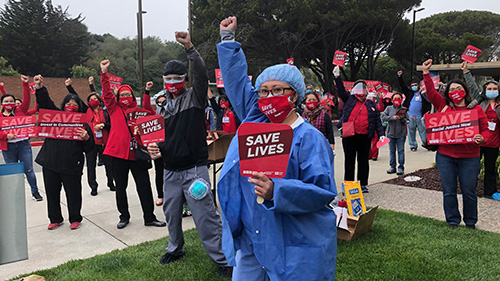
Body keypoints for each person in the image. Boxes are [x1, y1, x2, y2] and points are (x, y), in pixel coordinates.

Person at [215, 16, 337, 281]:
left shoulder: (309, 138)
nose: (269, 97)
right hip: (252, 237)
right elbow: (237, 84)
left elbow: (322, 191)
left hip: (289, 240)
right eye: (263, 91)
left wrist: (276, 191)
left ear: (294, 95)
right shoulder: (256, 120)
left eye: (278, 90)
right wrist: (227, 40)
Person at [146, 31, 231, 279]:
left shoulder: (194, 97)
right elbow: (162, 139)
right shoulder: (162, 107)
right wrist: (155, 149)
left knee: (205, 216)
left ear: (185, 79)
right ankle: (175, 248)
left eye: (177, 77)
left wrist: (190, 49)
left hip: (194, 168)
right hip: (170, 170)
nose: (172, 81)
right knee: (171, 214)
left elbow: (202, 75)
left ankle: (222, 259)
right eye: (168, 78)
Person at [99, 60, 166, 230]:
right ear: (117, 98)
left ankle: (149, 217)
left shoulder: (139, 112)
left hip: (138, 154)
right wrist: (104, 73)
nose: (125, 98)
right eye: (122, 95)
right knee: (121, 187)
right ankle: (124, 216)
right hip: (119, 154)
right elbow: (106, 94)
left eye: (128, 95)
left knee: (144, 186)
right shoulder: (114, 109)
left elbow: (151, 114)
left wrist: (146, 93)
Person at [422, 59, 488, 229]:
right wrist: (426, 73)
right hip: (446, 157)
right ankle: (452, 221)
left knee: (469, 192)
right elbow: (430, 92)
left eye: (459, 88)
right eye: (452, 89)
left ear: (465, 91)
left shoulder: (476, 109)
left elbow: (486, 130)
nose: (455, 91)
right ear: (447, 93)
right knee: (449, 191)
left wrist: (482, 138)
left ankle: (471, 222)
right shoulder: (443, 106)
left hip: (470, 157)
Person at [34, 75, 94, 230]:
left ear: (79, 107)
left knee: (73, 194)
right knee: (52, 193)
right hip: (50, 163)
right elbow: (45, 102)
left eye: (74, 104)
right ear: (63, 105)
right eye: (68, 103)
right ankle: (55, 218)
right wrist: (39, 88)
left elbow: (90, 149)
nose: (71, 106)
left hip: (71, 166)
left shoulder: (83, 124)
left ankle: (75, 218)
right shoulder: (55, 116)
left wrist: (86, 138)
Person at [334, 66, 385, 193]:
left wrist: (381, 134)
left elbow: (377, 120)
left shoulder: (370, 103)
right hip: (350, 136)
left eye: (363, 87)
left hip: (364, 136)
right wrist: (337, 77)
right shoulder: (350, 100)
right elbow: (341, 91)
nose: (361, 90)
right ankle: (349, 184)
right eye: (359, 87)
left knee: (363, 161)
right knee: (349, 161)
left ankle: (362, 184)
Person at [64, 78, 115, 195]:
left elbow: (112, 125)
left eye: (95, 99)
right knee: (91, 167)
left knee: (109, 165)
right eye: (90, 99)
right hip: (91, 143)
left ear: (99, 100)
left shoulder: (106, 112)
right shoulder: (86, 111)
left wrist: (103, 125)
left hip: (105, 143)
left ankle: (111, 183)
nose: (93, 100)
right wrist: (69, 87)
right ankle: (93, 186)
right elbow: (76, 97)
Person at [0, 76, 43, 201]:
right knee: (13, 172)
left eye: (11, 101)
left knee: (29, 170)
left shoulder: (20, 111)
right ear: (2, 104)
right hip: (8, 147)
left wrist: (25, 84)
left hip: (23, 144)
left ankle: (35, 191)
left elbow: (26, 99)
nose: (9, 104)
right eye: (6, 102)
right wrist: (5, 136)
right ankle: (15, 194)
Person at [462, 62, 500, 201]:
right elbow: (472, 86)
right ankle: (469, 190)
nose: (492, 90)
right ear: (484, 90)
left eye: (495, 88)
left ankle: (490, 192)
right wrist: (466, 71)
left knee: (490, 169)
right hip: (479, 141)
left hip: (493, 143)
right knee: (473, 169)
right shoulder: (479, 103)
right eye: (489, 88)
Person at [398, 70, 431, 151]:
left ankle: (426, 143)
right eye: (412, 86)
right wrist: (400, 77)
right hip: (411, 116)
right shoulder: (409, 93)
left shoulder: (423, 94)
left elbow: (428, 103)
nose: (414, 87)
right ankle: (413, 145)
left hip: (420, 116)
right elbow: (403, 86)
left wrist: (427, 112)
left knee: (423, 131)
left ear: (418, 86)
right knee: (411, 131)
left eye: (415, 85)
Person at [381, 92, 409, 175]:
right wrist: (391, 118)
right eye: (395, 98)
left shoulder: (404, 109)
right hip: (390, 134)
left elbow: (408, 120)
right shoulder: (389, 108)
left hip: (401, 134)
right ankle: (392, 167)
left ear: (401, 100)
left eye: (399, 98)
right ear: (392, 100)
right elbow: (383, 117)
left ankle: (401, 167)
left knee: (401, 151)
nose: (397, 100)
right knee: (391, 151)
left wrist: (401, 118)